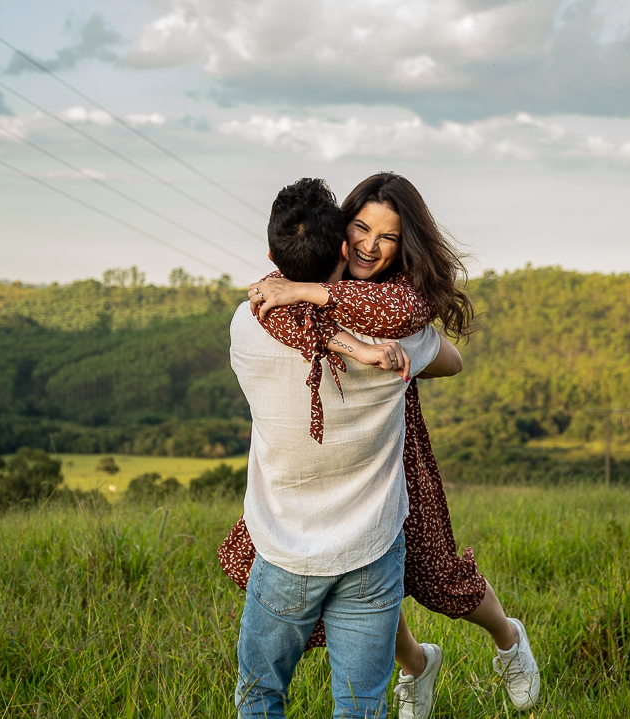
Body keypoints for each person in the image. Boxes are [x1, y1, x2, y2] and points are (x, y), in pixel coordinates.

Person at [220, 172, 540, 718]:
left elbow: (439, 350)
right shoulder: (309, 304)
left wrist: (315, 298)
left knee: (437, 576)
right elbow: (296, 319)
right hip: (351, 472)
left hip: (395, 446)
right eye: (362, 230)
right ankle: (416, 663)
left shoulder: (390, 305)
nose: (371, 246)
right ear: (341, 239)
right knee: (366, 582)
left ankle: (508, 638)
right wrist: (358, 344)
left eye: (387, 237)